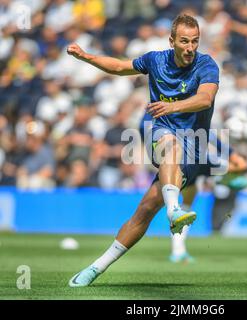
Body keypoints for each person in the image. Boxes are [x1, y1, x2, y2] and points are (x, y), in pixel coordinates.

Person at [67, 14, 223, 287]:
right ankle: (175, 210)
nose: (190, 47)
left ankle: (95, 268)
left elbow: (205, 98)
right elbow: (118, 67)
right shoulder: (155, 60)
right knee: (169, 144)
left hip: (194, 147)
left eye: (195, 41)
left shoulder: (206, 65)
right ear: (171, 40)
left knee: (145, 210)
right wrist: (87, 57)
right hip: (162, 133)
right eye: (184, 41)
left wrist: (172, 106)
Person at [139, 112, 247, 263]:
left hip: (183, 157)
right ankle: (220, 179)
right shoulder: (176, 106)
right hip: (186, 159)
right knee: (233, 167)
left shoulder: (162, 104)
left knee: (186, 203)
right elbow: (205, 133)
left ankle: (178, 250)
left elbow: (143, 128)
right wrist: (230, 153)